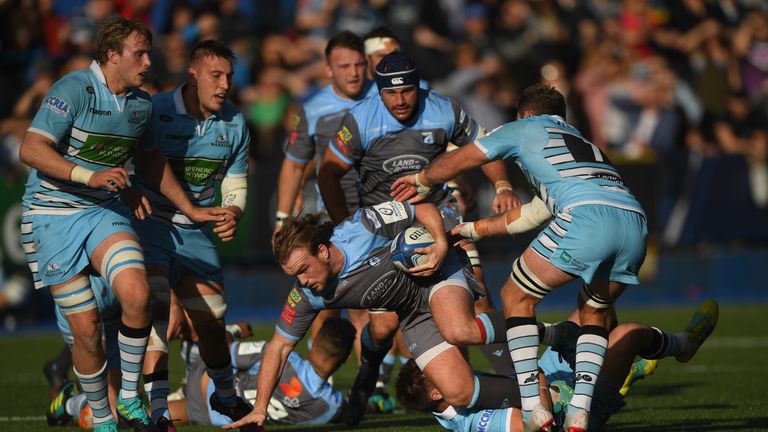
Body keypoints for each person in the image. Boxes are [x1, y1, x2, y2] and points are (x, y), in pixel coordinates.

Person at [392, 83, 649, 431]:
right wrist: (470, 230)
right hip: (633, 222)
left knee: (515, 296)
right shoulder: (580, 146)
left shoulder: (526, 127)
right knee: (594, 310)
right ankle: (579, 412)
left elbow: (464, 157)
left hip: (588, 217)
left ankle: (533, 408)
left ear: (524, 114)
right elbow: (528, 216)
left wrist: (423, 180)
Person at [18, 18, 224, 432]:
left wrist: (191, 208)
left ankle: (130, 396)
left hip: (103, 211)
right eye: (139, 53)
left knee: (137, 294)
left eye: (149, 53)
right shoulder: (73, 90)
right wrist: (89, 175)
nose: (148, 61)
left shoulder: (140, 105)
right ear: (111, 55)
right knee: (87, 328)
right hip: (51, 217)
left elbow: (150, 160)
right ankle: (101, 413)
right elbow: (31, 148)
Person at [224, 200, 537, 430]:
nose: (302, 281)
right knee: (457, 391)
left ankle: (550, 333)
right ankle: (543, 393)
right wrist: (259, 408)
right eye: (294, 275)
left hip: (437, 274)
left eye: (303, 270)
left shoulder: (364, 225)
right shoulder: (306, 294)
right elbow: (278, 347)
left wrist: (440, 243)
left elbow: (421, 208)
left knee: (458, 329)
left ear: (323, 250)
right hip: (410, 312)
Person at [318, 50, 521, 379]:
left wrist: (502, 186)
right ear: (380, 91)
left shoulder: (443, 109)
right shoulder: (359, 120)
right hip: (384, 230)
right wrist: (345, 226)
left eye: (407, 90)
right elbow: (328, 174)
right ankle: (368, 379)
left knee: (478, 299)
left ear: (419, 86)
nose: (399, 100)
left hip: (439, 218)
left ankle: (520, 382)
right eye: (391, 93)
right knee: (383, 326)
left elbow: (487, 146)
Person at [130, 39, 251, 431]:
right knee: (158, 315)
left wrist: (232, 210)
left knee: (213, 322)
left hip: (195, 231)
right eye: (215, 76)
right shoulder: (157, 110)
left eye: (229, 77)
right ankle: (160, 412)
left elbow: (235, 184)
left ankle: (227, 397)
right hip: (150, 223)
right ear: (193, 74)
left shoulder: (234, 123)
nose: (224, 85)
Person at [396, 300, 719, 432]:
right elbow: (540, 422)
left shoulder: (458, 389)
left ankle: (619, 370)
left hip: (546, 379)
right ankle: (682, 345)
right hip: (572, 413)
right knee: (628, 334)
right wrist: (532, 374)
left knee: (591, 310)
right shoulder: (474, 422)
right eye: (433, 369)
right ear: (437, 393)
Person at [168, 317, 357, 426]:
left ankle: (187, 366)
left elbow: (227, 352)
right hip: (217, 418)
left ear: (313, 342)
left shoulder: (282, 357)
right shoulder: (330, 406)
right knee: (170, 413)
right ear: (347, 357)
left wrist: (234, 330)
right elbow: (350, 413)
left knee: (211, 333)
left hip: (208, 381)